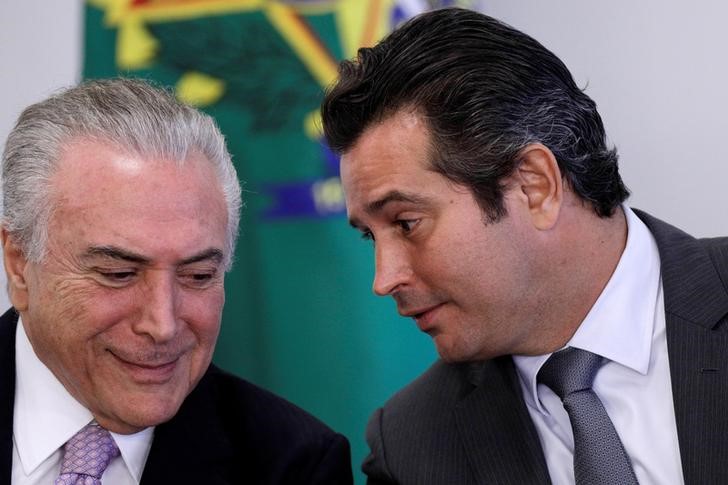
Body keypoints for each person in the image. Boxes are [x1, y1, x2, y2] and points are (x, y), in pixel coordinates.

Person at [321, 7, 728, 485]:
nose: (383, 278)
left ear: (535, 186)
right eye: (370, 235)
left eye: (407, 223)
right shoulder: (412, 445)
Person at [0, 78, 353, 484]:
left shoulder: (292, 465)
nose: (163, 324)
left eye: (198, 276)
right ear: (19, 263)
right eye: (119, 274)